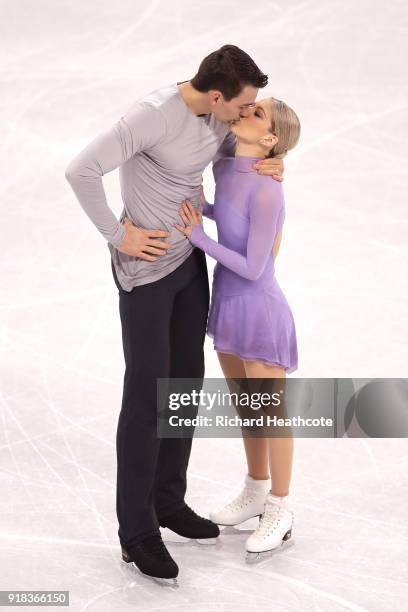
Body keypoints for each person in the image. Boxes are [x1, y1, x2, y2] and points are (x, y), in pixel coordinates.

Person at [64, 44, 284, 582]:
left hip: (191, 264)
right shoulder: (152, 116)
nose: (242, 115)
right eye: (241, 105)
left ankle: (167, 500)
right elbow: (80, 171)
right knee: (146, 394)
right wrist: (120, 236)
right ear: (216, 96)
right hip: (145, 272)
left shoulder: (220, 120)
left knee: (185, 381)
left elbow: (254, 142)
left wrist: (276, 162)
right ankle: (135, 530)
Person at [174, 95, 300, 559]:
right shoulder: (227, 165)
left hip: (258, 308)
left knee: (271, 414)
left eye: (258, 112)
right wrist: (203, 209)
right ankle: (255, 489)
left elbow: (253, 266)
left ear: (269, 138)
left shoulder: (269, 189)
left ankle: (281, 507)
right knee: (247, 408)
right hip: (226, 303)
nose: (247, 110)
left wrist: (199, 238)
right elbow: (227, 211)